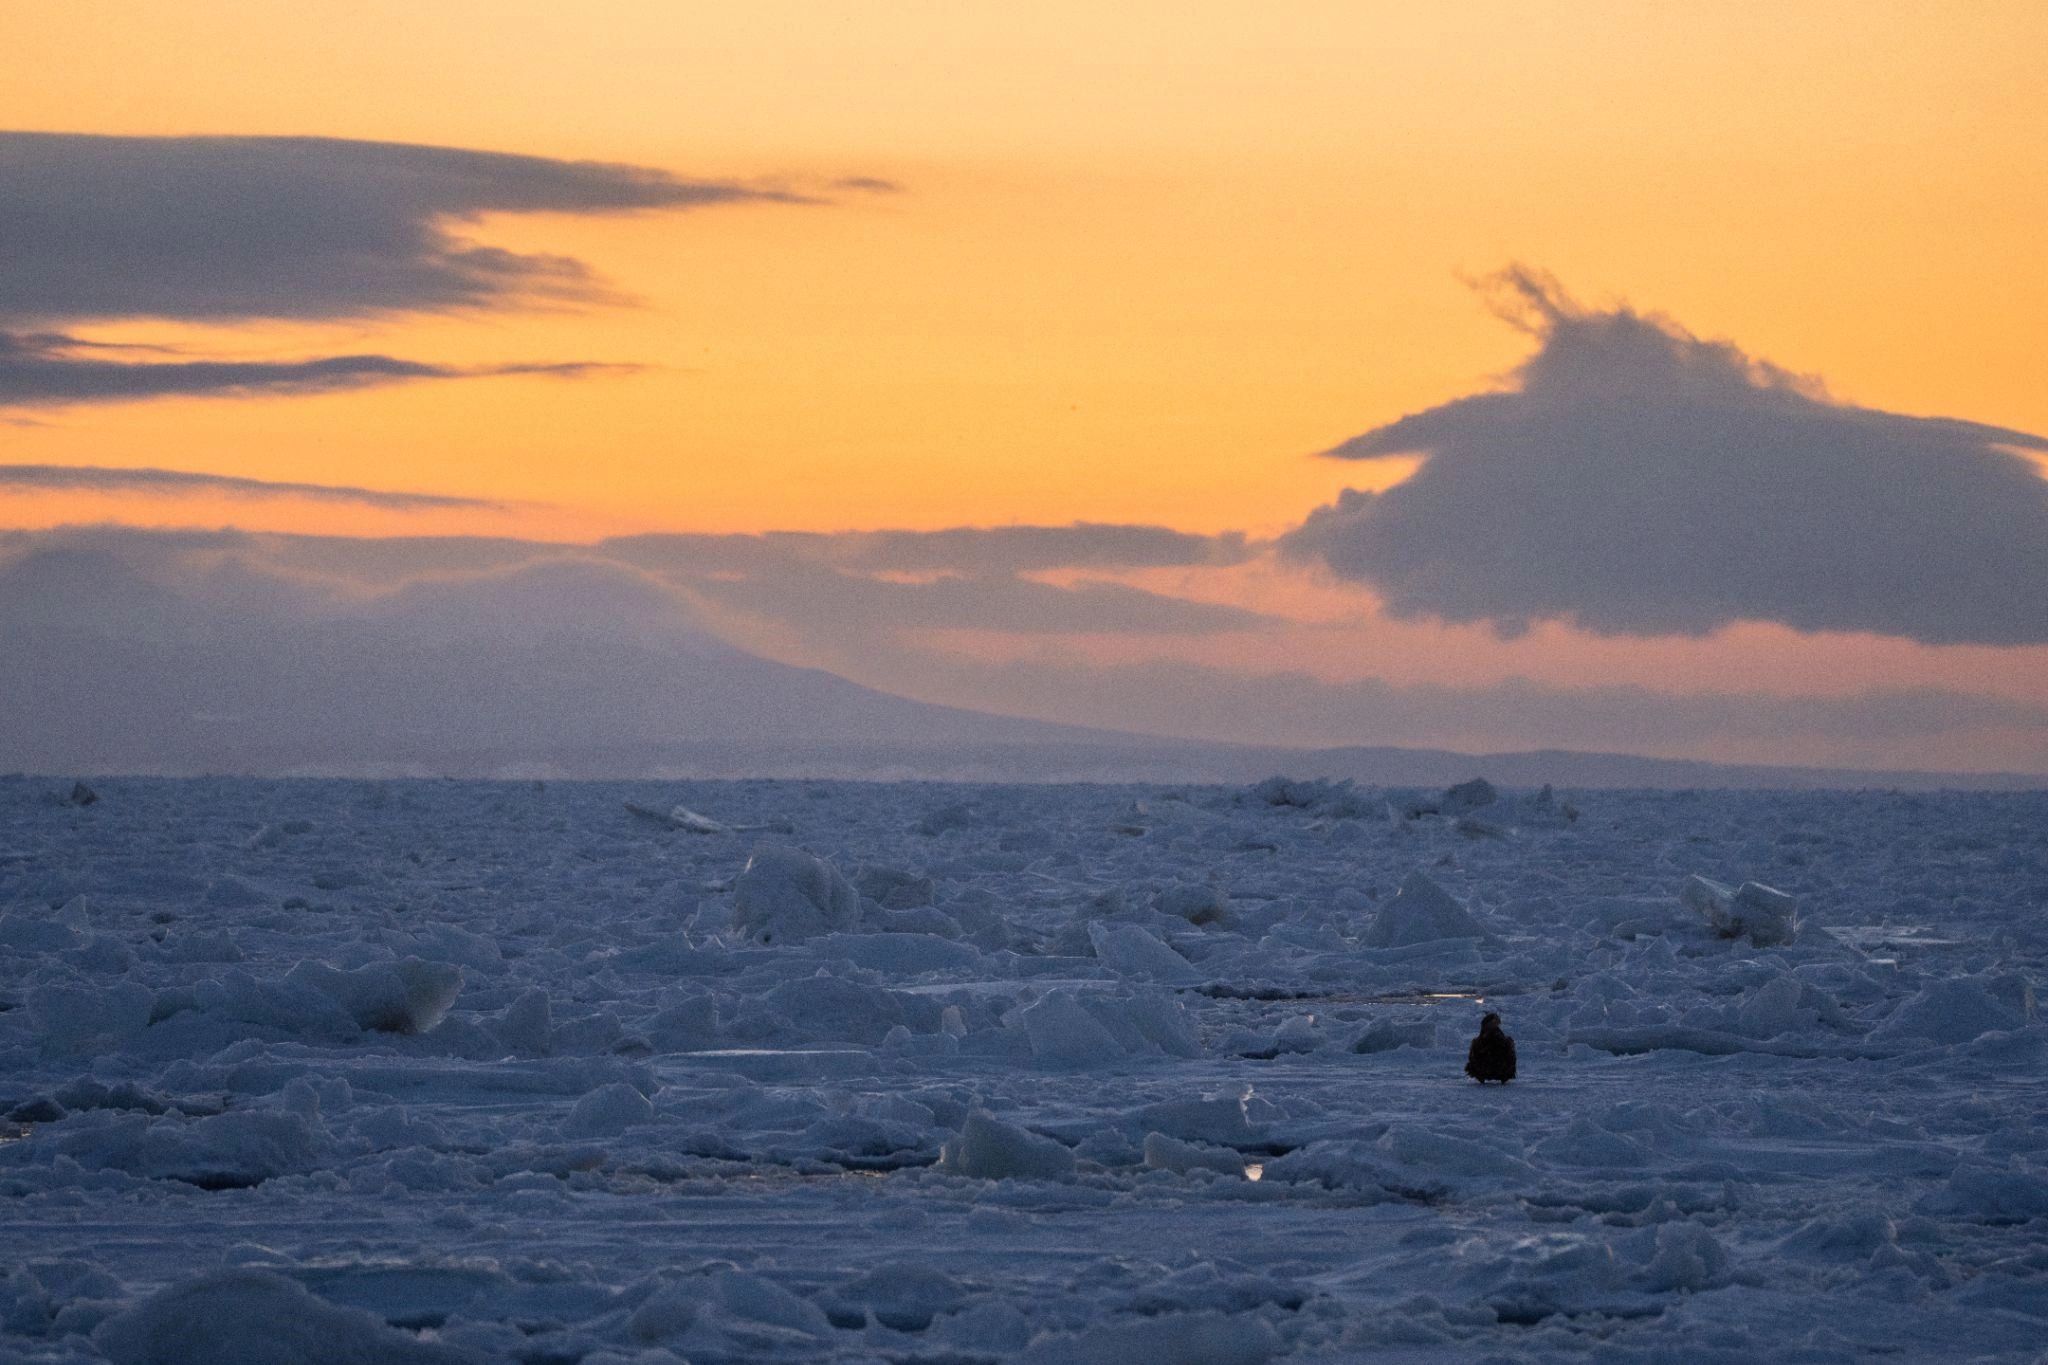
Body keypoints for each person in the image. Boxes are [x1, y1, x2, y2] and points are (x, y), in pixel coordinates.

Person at [1464, 1011, 1516, 1084]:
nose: (1496, 1023)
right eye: (1493, 1022)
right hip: (1486, 1069)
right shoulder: (1478, 1042)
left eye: (1496, 1022)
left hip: (1500, 1069)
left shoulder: (1504, 1041)